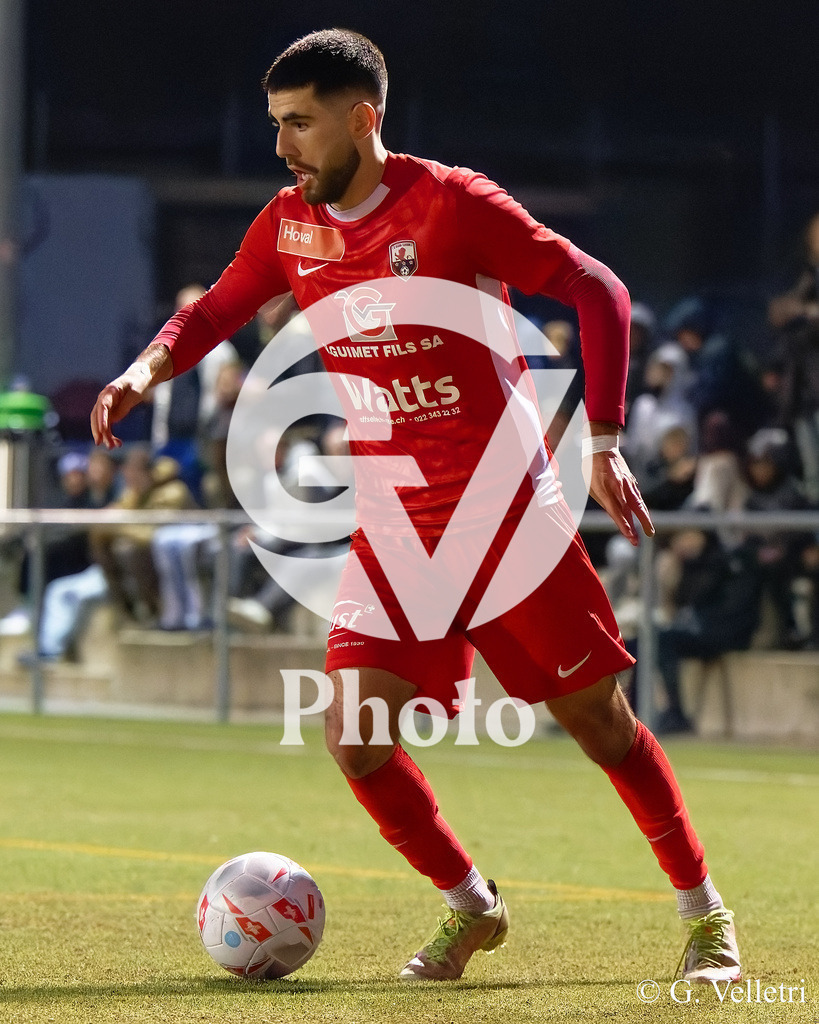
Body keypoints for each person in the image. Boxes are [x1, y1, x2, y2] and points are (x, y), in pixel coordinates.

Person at [90, 29, 740, 985]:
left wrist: (602, 441)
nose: (284, 148)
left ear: (364, 118)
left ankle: (704, 914)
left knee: (599, 724)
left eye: (300, 124)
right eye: (276, 125)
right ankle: (471, 908)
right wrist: (145, 369)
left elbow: (596, 286)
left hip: (507, 516)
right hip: (396, 527)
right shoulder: (288, 223)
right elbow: (217, 309)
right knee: (353, 739)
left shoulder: (453, 205)